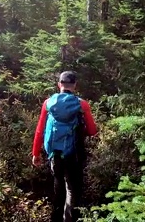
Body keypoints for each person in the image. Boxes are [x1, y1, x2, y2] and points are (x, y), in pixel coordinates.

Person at [32, 71, 98, 222]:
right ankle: (68, 218)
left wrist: (35, 153)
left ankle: (54, 216)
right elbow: (93, 131)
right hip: (73, 154)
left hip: (54, 153)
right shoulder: (81, 104)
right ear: (74, 85)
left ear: (59, 85)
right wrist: (83, 131)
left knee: (58, 184)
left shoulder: (48, 103)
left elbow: (39, 130)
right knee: (72, 189)